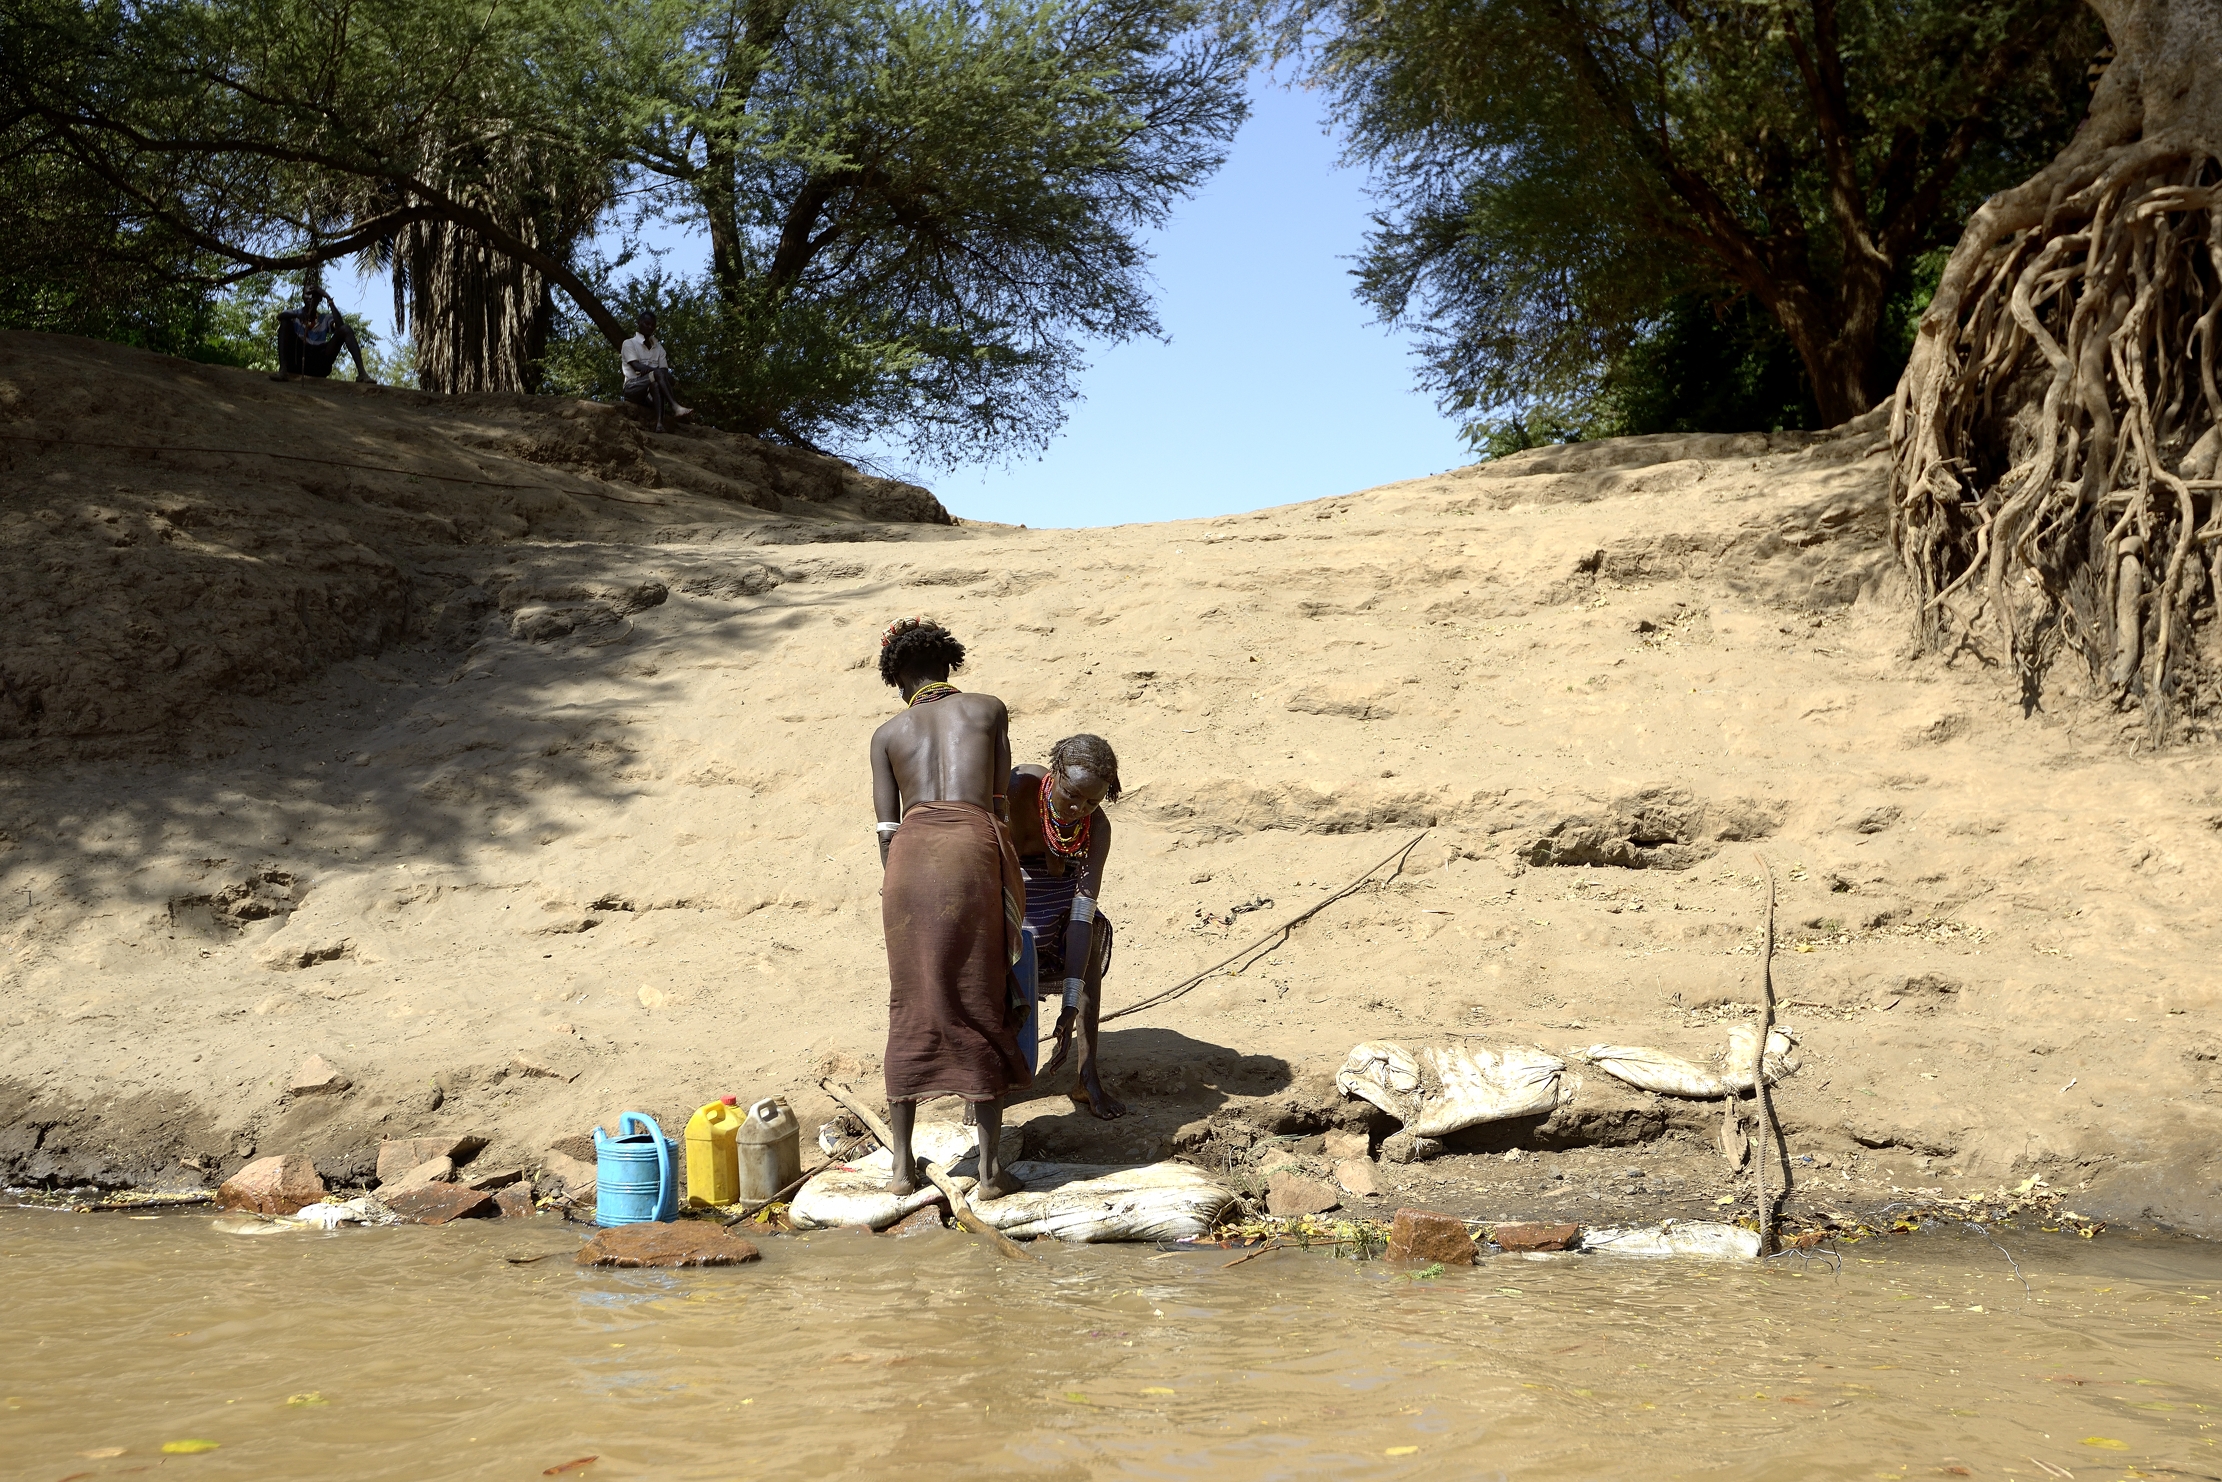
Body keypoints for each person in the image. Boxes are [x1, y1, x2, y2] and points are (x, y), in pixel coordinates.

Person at [869, 617, 1031, 1200]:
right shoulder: (988, 709)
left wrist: (901, 882)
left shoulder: (887, 734)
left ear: (896, 676)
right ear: (948, 662)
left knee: (912, 997)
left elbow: (887, 829)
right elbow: (997, 800)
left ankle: (901, 1171)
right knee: (978, 991)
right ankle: (989, 1175)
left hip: (908, 861)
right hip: (971, 846)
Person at [1009, 734, 1125, 1120]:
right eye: (1072, 794)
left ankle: (1086, 1076)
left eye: (1093, 801)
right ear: (1054, 773)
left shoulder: (1097, 829)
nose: (1079, 808)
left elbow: (1081, 911)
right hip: (1005, 883)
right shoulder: (1016, 788)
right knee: (988, 961)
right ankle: (988, 1084)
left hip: (1060, 897)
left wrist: (1070, 1005)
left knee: (1091, 937)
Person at [275, 279, 374, 383]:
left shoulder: (325, 318)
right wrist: (296, 315)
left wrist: (329, 299)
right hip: (298, 360)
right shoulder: (294, 314)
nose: (311, 298)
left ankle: (362, 373)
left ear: (319, 299)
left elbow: (340, 326)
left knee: (346, 329)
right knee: (285, 323)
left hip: (319, 363)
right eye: (308, 294)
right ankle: (283, 371)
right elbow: (280, 316)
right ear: (303, 297)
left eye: (315, 295)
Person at [619, 310, 691, 431]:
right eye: (647, 323)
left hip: (649, 393)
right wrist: (658, 373)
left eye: (652, 325)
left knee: (657, 383)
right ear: (639, 323)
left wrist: (660, 375)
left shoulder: (659, 348)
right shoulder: (629, 343)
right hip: (632, 388)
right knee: (658, 374)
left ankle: (659, 424)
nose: (650, 327)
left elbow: (664, 372)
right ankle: (675, 406)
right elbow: (637, 366)